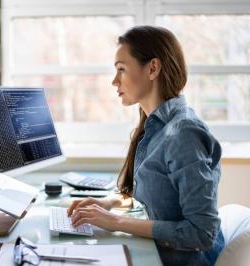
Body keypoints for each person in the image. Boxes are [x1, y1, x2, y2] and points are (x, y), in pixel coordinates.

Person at [67, 26, 225, 266]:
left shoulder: (184, 134)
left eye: (121, 69)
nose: (114, 81)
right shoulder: (155, 127)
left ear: (152, 68)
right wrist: (109, 203)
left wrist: (115, 222)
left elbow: (202, 234)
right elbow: (157, 200)